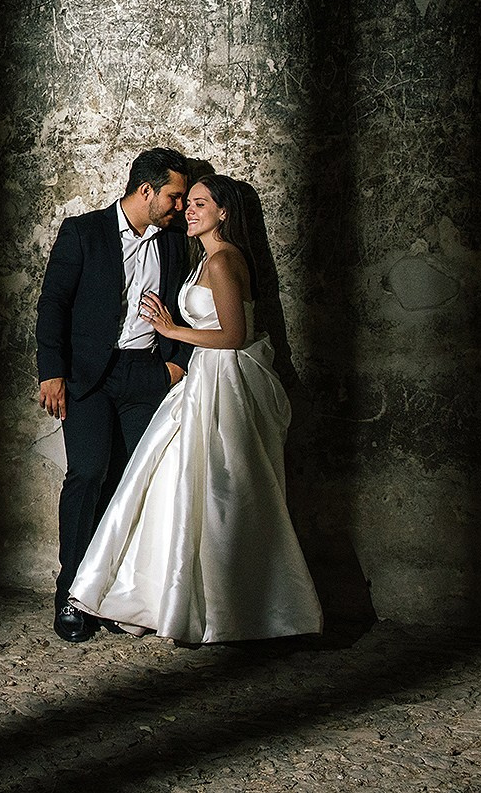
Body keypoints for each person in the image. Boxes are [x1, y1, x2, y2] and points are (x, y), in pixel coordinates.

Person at [68, 174, 323, 643]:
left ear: (224, 212)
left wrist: (172, 332)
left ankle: (236, 609)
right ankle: (169, 598)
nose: (189, 210)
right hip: (203, 379)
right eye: (187, 202)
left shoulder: (225, 261)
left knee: (219, 490)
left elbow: (234, 336)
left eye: (201, 203)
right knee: (179, 486)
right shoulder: (201, 258)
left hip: (221, 383)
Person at [35, 147, 196, 643]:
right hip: (88, 378)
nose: (179, 207)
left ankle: (120, 595)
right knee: (88, 475)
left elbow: (182, 307)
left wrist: (173, 367)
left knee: (135, 484)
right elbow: (53, 305)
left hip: (144, 376)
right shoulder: (83, 232)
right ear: (145, 191)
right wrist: (51, 372)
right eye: (173, 196)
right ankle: (72, 596)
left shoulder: (172, 243)